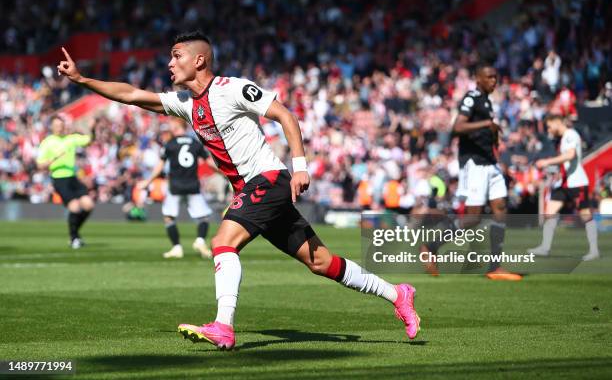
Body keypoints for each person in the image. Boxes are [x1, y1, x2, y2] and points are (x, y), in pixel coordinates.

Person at [57, 31, 420, 349]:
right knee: (320, 261)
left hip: (269, 180)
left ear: (199, 60)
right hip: (255, 189)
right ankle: (397, 294)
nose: (169, 63)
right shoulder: (185, 104)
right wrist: (83, 80)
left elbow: (285, 116)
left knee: (222, 242)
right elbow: (133, 95)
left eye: (177, 56)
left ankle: (223, 327)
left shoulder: (232, 89)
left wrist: (300, 167)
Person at [422, 65, 522, 280]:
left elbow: (487, 133)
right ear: (478, 79)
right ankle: (431, 246)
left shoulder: (487, 101)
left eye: (496, 77)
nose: (494, 81)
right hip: (473, 164)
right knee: (473, 218)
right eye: (489, 77)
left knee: (500, 209)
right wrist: (487, 124)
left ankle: (495, 267)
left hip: (490, 163)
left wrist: (495, 147)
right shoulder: (472, 97)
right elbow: (457, 127)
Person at [138, 118, 216, 259]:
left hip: (175, 186)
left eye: (172, 126)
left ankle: (176, 248)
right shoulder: (195, 143)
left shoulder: (170, 144)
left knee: (169, 217)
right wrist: (223, 173)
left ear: (176, 127)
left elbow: (160, 166)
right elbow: (209, 162)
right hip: (193, 185)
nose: (170, 128)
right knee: (203, 217)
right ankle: (200, 240)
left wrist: (148, 181)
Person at [529, 115, 599, 261]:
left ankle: (594, 251)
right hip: (564, 183)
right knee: (549, 212)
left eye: (549, 126)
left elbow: (570, 155)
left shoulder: (570, 134)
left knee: (585, 215)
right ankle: (545, 248)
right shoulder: (561, 138)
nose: (548, 130)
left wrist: (547, 162)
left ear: (557, 122)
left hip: (576, 182)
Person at [37, 116, 95, 249]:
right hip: (59, 178)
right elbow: (40, 165)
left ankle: (75, 233)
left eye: (61, 125)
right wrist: (54, 158)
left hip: (72, 177)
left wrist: (91, 128)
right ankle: (74, 238)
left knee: (89, 205)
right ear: (51, 127)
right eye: (57, 125)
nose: (60, 127)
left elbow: (89, 141)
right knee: (74, 207)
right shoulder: (47, 142)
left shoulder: (70, 138)